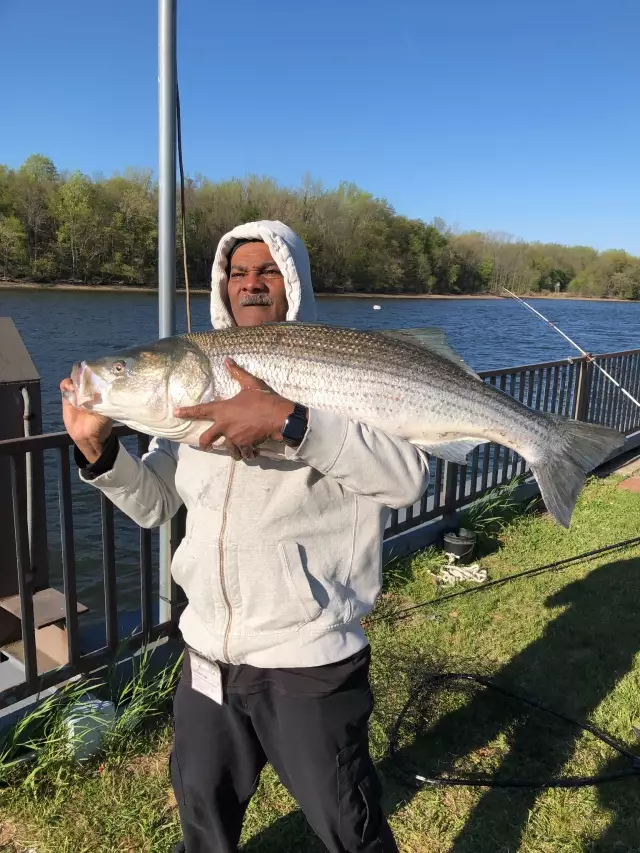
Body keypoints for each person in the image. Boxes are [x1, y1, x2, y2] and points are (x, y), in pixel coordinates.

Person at [60, 221, 430, 853]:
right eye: (238, 273)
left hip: (308, 658)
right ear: (223, 287)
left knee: (348, 827)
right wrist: (100, 455)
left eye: (267, 271)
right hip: (208, 652)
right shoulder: (192, 383)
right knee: (202, 816)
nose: (251, 283)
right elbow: (155, 506)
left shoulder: (340, 368)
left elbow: (407, 481)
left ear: (292, 281)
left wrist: (290, 422)